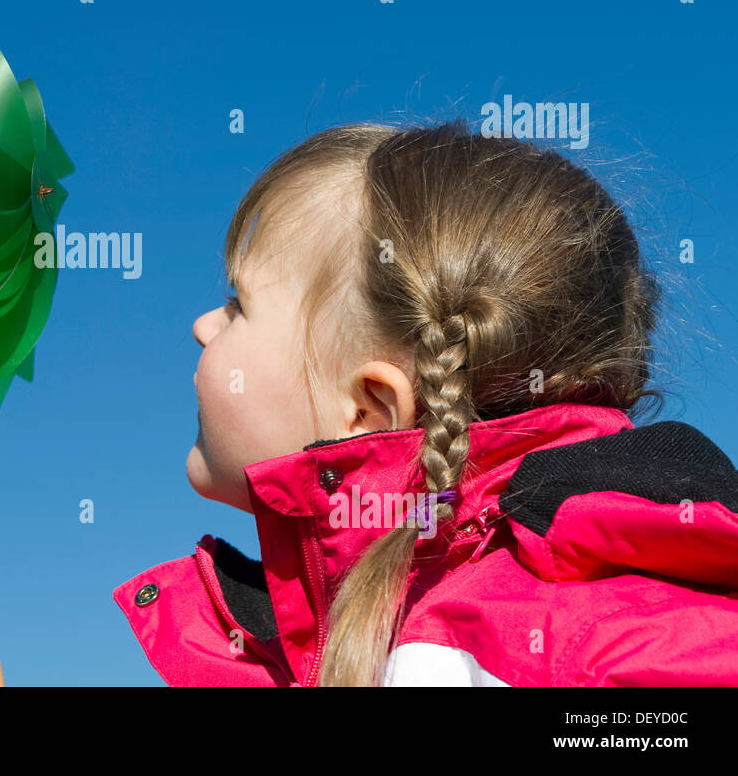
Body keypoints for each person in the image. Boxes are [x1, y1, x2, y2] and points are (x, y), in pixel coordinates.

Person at [113, 120, 738, 686]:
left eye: (238, 307)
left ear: (367, 409)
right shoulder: (338, 639)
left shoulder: (542, 652)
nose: (202, 326)